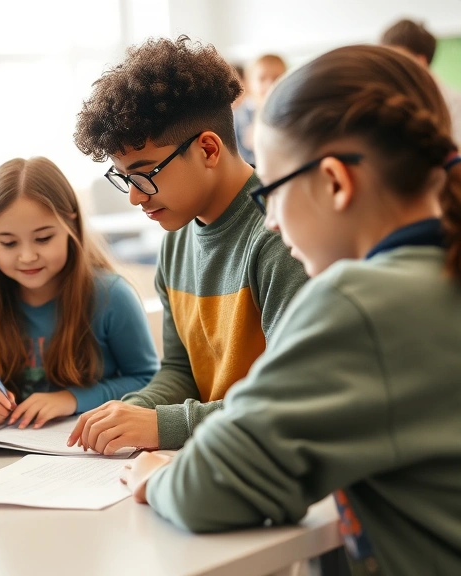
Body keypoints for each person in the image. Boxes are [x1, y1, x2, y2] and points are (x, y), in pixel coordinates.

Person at [109, 44, 461, 575]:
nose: (270, 219)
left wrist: (157, 476)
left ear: (335, 183)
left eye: (271, 190)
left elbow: (208, 488)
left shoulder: (357, 304)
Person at [70, 36, 308, 452]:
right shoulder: (176, 240)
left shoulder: (281, 238)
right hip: (215, 451)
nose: (135, 196)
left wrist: (163, 425)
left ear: (208, 149)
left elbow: (292, 399)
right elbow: (180, 371)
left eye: (144, 175)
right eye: (124, 178)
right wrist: (130, 412)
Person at [0, 156, 158, 429]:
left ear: (71, 226)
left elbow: (149, 380)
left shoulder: (111, 296)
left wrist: (72, 399)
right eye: (8, 243)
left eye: (43, 238)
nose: (27, 256)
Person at [380, 17, 461, 145]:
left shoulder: (454, 103)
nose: (389, 67)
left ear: (420, 61)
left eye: (397, 59)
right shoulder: (387, 100)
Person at [233, 54, 287, 165]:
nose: (270, 84)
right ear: (248, 83)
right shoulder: (238, 117)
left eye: (277, 77)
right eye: (262, 79)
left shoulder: (289, 113)